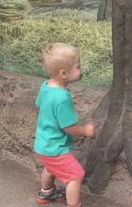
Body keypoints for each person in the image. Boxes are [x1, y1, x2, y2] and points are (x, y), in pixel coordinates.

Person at [34, 43, 96, 207]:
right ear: (63, 73)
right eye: (78, 66)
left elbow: (39, 104)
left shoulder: (45, 85)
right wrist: (86, 130)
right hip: (56, 148)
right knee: (76, 175)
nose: (80, 69)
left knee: (50, 168)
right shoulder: (62, 98)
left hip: (43, 143)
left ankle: (46, 193)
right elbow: (68, 127)